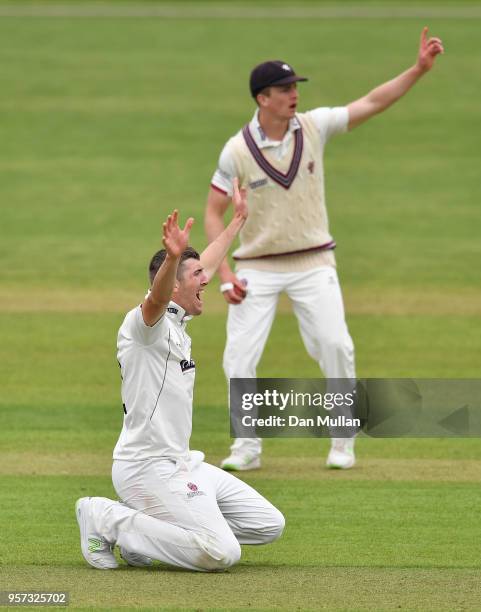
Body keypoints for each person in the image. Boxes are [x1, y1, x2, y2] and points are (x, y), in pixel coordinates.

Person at [205, 27, 444, 471]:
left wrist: (418, 70)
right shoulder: (235, 151)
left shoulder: (314, 127)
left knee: (336, 345)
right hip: (256, 266)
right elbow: (213, 213)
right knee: (238, 356)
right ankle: (246, 448)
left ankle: (342, 440)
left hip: (314, 261)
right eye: (284, 89)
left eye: (295, 87)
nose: (293, 94)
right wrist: (224, 276)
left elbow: (371, 103)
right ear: (263, 98)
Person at [75, 180, 285, 572]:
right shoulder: (143, 327)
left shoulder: (178, 320)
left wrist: (237, 220)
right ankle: (105, 517)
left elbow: (201, 263)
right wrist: (172, 261)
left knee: (267, 524)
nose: (207, 279)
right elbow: (156, 299)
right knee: (222, 553)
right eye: (196, 277)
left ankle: (150, 537)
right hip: (146, 466)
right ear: (173, 284)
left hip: (184, 463)